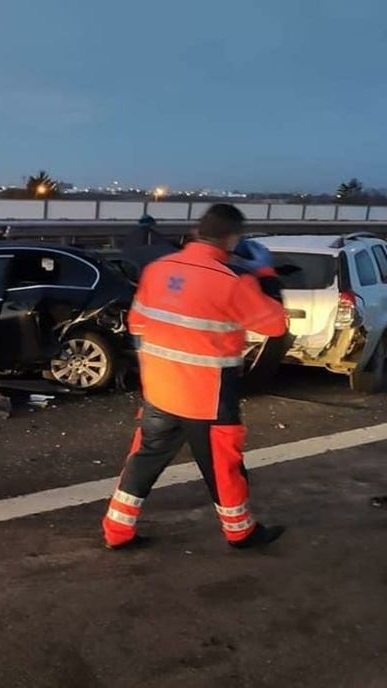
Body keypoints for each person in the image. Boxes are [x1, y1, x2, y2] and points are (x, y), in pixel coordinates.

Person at [102, 204, 288, 550]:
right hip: (208, 397)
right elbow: (276, 325)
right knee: (223, 468)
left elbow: (137, 325)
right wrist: (266, 276)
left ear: (196, 230)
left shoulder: (157, 270)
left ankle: (116, 530)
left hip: (160, 391)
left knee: (144, 459)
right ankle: (240, 532)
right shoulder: (234, 281)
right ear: (233, 239)